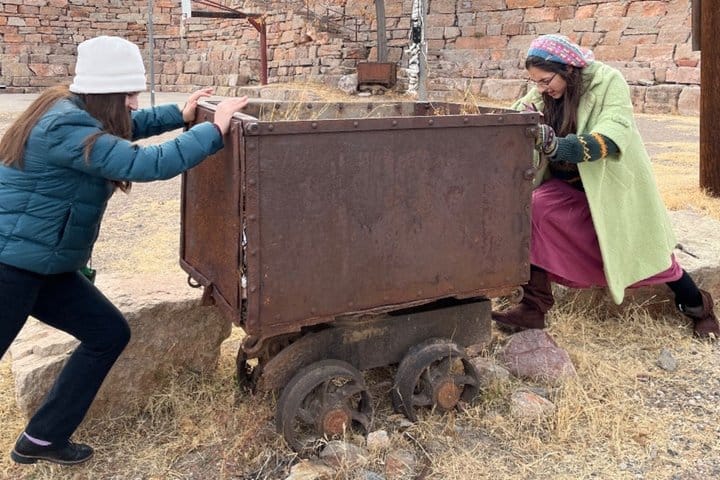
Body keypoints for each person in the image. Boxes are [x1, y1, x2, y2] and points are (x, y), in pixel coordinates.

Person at [0, 35, 249, 465]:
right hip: (11, 267)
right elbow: (144, 163)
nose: (134, 102)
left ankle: (42, 438)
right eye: (129, 94)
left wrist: (180, 113)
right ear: (104, 93)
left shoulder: (73, 110)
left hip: (45, 265)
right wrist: (213, 130)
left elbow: (123, 127)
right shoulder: (64, 126)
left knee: (108, 333)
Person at [492, 34, 719, 338]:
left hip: (610, 189)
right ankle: (533, 308)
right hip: (567, 189)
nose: (542, 88)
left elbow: (612, 134)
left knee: (653, 258)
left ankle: (698, 307)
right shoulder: (543, 92)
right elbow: (515, 116)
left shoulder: (608, 81)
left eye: (546, 81)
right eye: (537, 83)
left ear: (567, 68)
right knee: (528, 213)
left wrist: (559, 146)